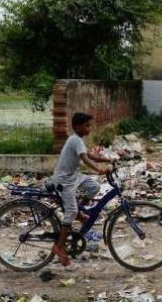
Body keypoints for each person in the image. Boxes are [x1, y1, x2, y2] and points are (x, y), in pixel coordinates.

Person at [51, 112, 115, 266]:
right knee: (70, 212)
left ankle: (79, 211)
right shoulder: (75, 140)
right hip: (64, 180)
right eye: (87, 125)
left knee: (94, 187)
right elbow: (86, 160)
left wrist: (109, 159)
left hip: (74, 176)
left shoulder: (78, 140)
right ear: (78, 127)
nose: (90, 128)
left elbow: (91, 156)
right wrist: (98, 170)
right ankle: (59, 246)